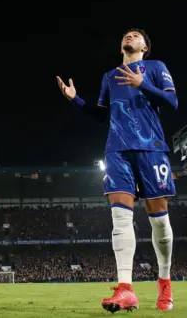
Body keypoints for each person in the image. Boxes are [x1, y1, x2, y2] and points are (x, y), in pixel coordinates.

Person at [56, 28, 178, 312]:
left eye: (136, 35)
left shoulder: (156, 67)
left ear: (145, 46)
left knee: (158, 220)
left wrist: (142, 84)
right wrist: (76, 100)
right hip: (117, 149)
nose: (130, 36)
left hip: (151, 147)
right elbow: (101, 115)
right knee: (120, 218)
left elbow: (172, 102)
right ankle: (126, 289)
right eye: (127, 34)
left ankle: (164, 281)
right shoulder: (109, 77)